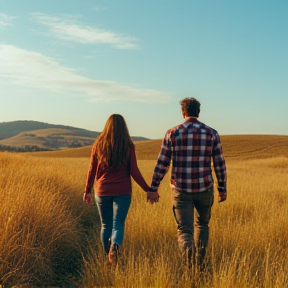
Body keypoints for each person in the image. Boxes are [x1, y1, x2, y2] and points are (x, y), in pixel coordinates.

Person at [148, 97, 227, 268]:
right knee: (203, 225)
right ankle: (200, 262)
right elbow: (219, 163)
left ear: (183, 112)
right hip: (205, 188)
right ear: (198, 112)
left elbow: (162, 163)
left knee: (185, 231)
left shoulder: (172, 133)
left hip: (181, 190)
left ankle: (187, 253)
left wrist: (154, 187)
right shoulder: (211, 133)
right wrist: (222, 188)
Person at [83, 114, 153, 266]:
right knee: (118, 224)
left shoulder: (98, 145)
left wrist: (87, 190)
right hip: (123, 191)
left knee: (105, 225)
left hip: (102, 191)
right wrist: (148, 189)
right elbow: (134, 171)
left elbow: (91, 170)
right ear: (124, 127)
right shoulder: (128, 145)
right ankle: (115, 248)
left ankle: (107, 257)